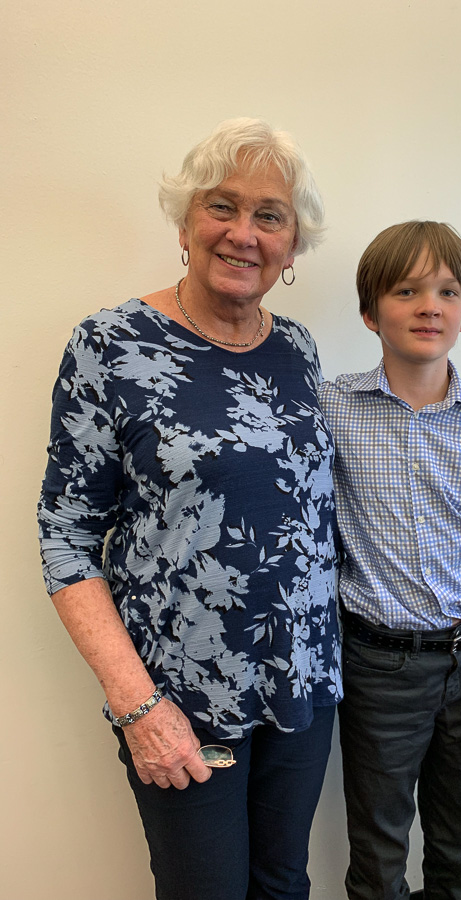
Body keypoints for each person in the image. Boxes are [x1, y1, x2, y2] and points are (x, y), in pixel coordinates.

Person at [37, 118, 342, 900]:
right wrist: (137, 705)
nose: (244, 233)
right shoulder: (109, 345)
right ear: (184, 224)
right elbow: (66, 535)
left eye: (269, 216)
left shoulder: (297, 350)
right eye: (221, 206)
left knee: (284, 883)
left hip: (302, 682)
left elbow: (308, 503)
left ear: (291, 246)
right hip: (180, 695)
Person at [319, 220, 461, 900]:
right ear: (370, 313)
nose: (430, 306)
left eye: (448, 291)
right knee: (378, 851)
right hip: (378, 667)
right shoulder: (329, 409)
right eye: (406, 290)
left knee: (456, 842)